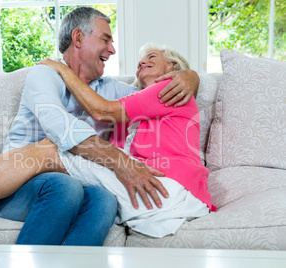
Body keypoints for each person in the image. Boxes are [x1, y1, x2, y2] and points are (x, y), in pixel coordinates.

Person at [0, 7, 200, 245]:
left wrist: (189, 76)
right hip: (13, 186)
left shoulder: (109, 88)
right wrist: (119, 161)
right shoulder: (44, 76)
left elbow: (152, 101)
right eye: (105, 39)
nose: (112, 50)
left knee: (104, 199)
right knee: (62, 185)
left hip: (78, 182)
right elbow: (59, 128)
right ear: (78, 38)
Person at [36, 42, 216, 237]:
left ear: (172, 65)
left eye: (152, 57)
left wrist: (61, 68)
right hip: (149, 186)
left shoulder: (170, 89)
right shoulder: (129, 110)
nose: (142, 62)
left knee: (50, 152)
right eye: (140, 61)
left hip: (171, 185)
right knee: (97, 200)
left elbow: (100, 110)